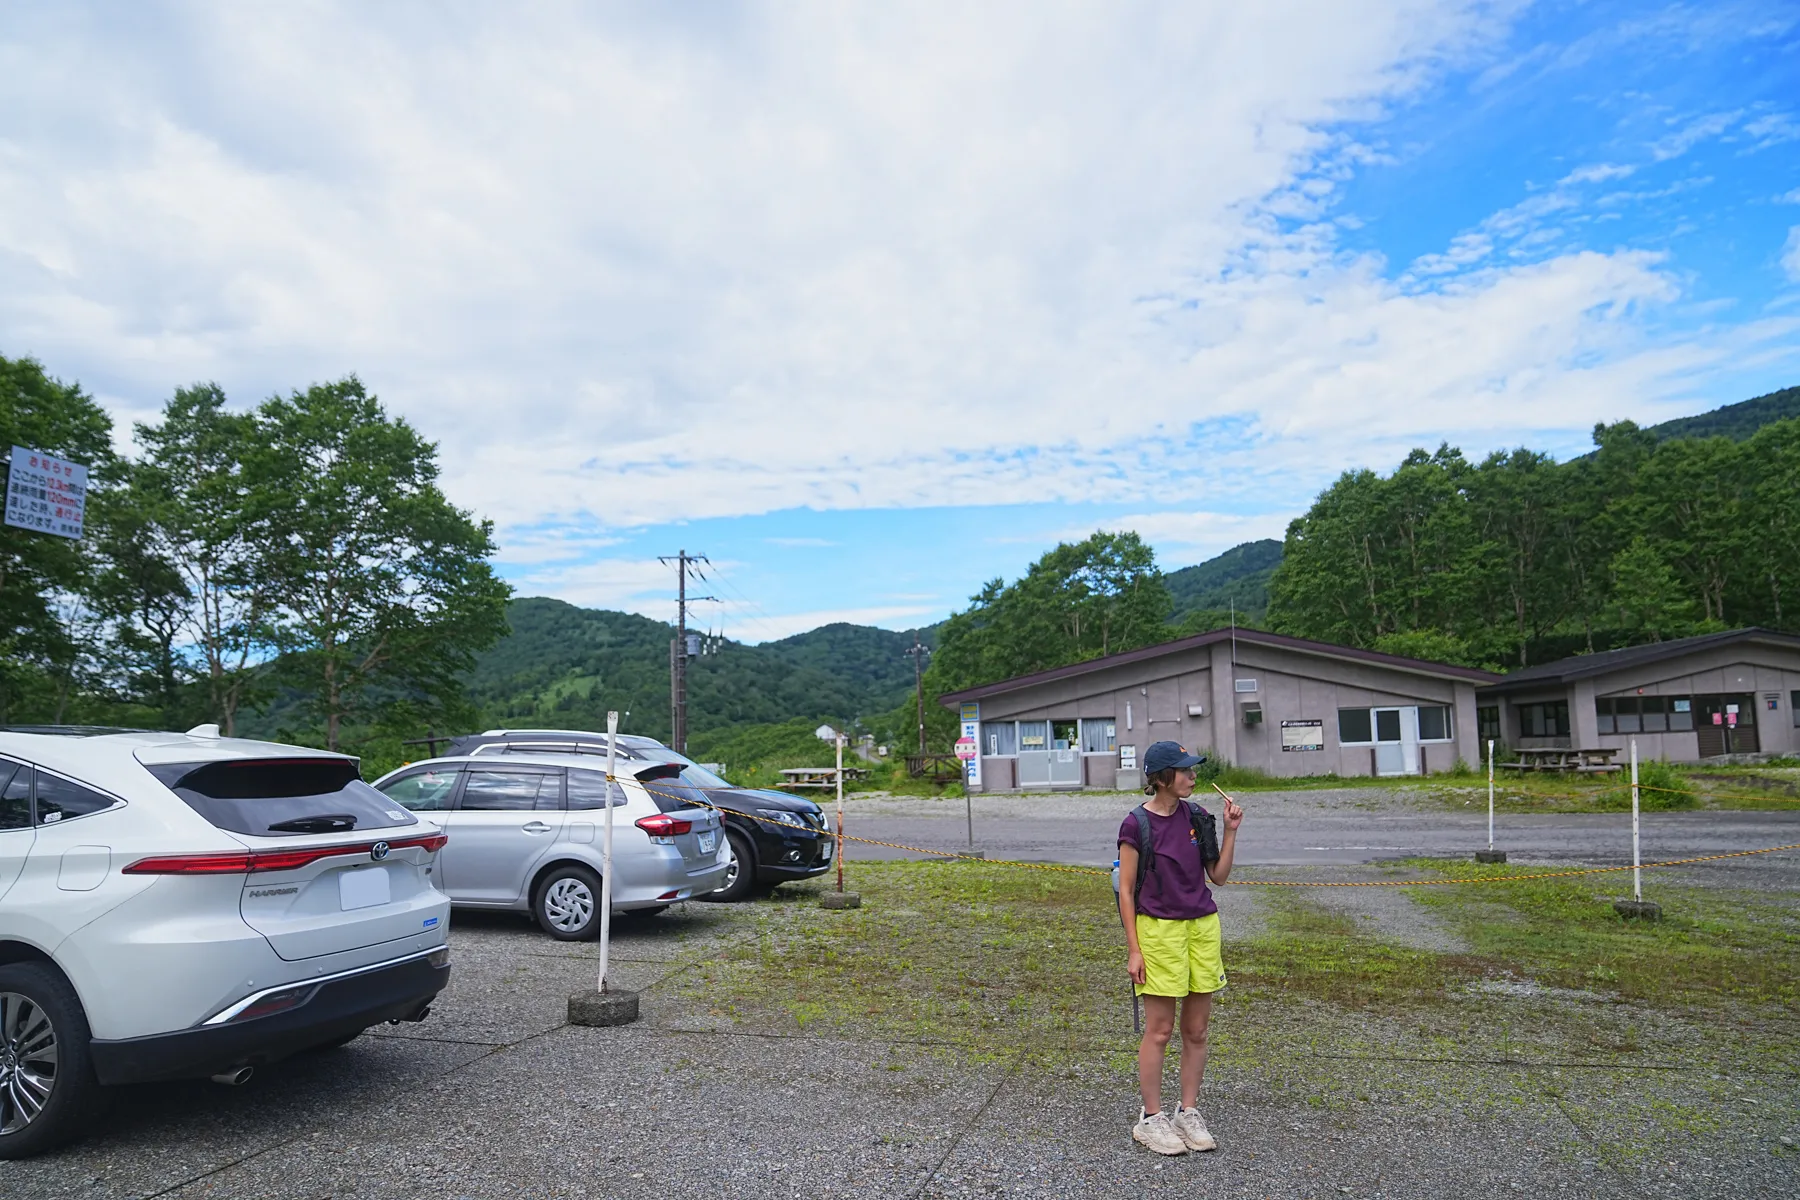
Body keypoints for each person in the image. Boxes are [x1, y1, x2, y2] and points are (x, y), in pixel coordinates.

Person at [1117, 740, 1243, 1156]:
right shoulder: (1136, 825)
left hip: (1202, 929)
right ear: (1161, 778)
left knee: (1197, 1030)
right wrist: (1134, 949)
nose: (1192, 777)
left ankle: (1187, 1112)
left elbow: (1218, 876)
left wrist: (1229, 831)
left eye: (1192, 771)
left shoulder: (1199, 816)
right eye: (1184, 771)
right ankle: (1151, 1118)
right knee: (1160, 1030)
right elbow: (1127, 891)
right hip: (1159, 934)